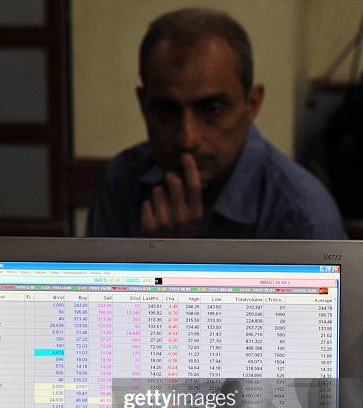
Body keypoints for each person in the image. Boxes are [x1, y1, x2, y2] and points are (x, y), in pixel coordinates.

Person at [87, 7, 346, 239]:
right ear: (143, 104)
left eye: (211, 109)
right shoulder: (122, 182)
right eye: (166, 110)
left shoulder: (301, 216)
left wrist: (173, 266)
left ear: (252, 104)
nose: (187, 138)